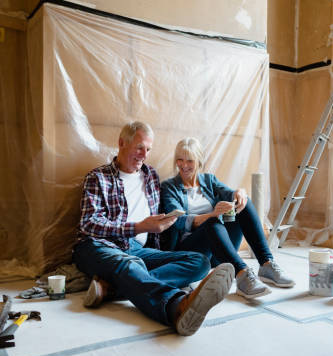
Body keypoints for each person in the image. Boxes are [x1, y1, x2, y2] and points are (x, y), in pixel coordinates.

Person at [72, 122, 234, 336]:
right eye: (140, 147)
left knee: (199, 261)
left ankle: (112, 290)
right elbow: (89, 223)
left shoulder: (150, 176)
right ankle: (176, 307)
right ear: (122, 143)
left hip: (137, 248)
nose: (144, 155)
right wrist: (138, 227)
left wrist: (164, 223)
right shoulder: (98, 178)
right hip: (96, 245)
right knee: (130, 264)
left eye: (148, 149)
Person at [160, 137, 295, 299]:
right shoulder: (169, 187)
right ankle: (243, 275)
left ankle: (266, 263)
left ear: (199, 162)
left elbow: (230, 193)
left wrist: (240, 193)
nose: (184, 165)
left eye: (190, 161)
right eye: (180, 160)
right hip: (192, 250)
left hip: (219, 251)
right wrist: (212, 215)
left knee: (244, 204)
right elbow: (180, 221)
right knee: (212, 222)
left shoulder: (209, 180)